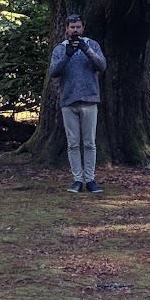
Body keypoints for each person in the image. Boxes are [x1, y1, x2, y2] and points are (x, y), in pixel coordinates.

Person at [48, 14, 106, 194]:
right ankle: (76, 180)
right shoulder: (60, 49)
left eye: (78, 27)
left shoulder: (92, 44)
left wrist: (86, 49)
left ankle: (90, 179)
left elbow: (101, 65)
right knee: (73, 143)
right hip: (68, 101)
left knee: (89, 143)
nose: (75, 30)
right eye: (72, 27)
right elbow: (53, 72)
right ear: (66, 28)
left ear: (83, 28)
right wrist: (67, 55)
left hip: (89, 99)